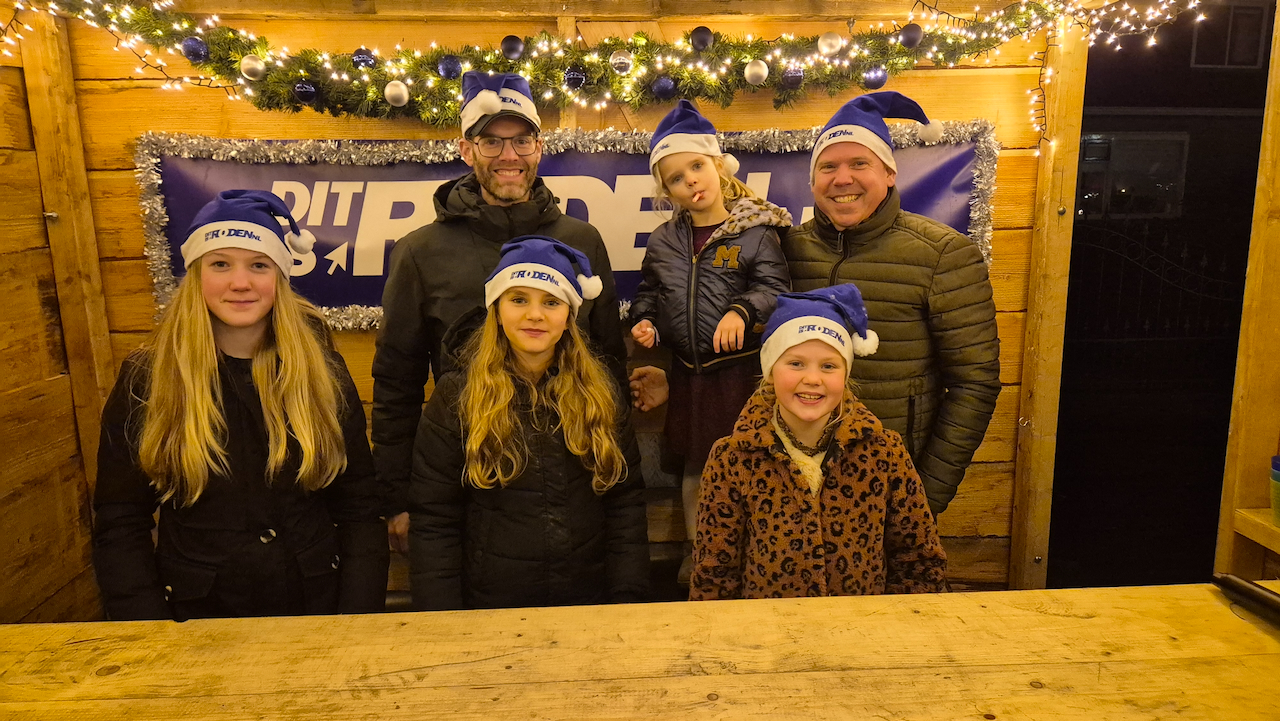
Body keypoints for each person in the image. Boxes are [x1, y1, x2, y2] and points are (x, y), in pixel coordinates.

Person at [92, 190, 389, 621]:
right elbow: (120, 520)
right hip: (197, 617)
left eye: (258, 265)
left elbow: (360, 507)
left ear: (279, 276)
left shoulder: (321, 369)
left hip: (315, 608)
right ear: (196, 274)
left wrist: (356, 617)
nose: (240, 282)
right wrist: (147, 629)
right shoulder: (149, 377)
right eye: (220, 264)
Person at [374, 72, 628, 553]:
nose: (509, 156)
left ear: (539, 145)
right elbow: (396, 383)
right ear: (466, 149)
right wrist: (399, 499)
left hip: (574, 487)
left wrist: (615, 477)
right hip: (466, 488)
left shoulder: (582, 241)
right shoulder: (420, 252)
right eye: (491, 142)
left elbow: (608, 364)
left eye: (521, 140)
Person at [781, 92, 1000, 515]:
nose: (842, 179)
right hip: (794, 488)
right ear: (812, 181)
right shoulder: (785, 249)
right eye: (828, 166)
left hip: (891, 491)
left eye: (859, 163)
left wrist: (924, 497)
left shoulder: (943, 254)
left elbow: (975, 384)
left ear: (889, 173)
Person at [408, 236, 649, 610]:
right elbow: (435, 520)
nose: (534, 315)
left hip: (588, 602)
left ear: (569, 316)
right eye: (518, 299)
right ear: (497, 309)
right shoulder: (457, 396)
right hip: (490, 605)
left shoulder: (600, 394)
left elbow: (625, 505)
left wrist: (627, 599)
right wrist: (442, 618)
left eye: (551, 302)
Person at [690, 284, 947, 599]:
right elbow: (715, 574)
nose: (812, 378)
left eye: (828, 365)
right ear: (770, 371)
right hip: (768, 636)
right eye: (796, 363)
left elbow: (919, 561)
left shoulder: (885, 453)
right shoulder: (732, 458)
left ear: (845, 374)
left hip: (862, 634)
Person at [628, 99, 791, 583]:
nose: (691, 181)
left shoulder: (758, 233)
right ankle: (703, 554)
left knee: (752, 465)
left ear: (718, 165)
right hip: (689, 376)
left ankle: (757, 555)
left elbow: (775, 290)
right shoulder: (664, 240)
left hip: (740, 376)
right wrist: (646, 323)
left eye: (697, 166)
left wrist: (743, 310)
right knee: (697, 467)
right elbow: (649, 292)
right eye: (676, 178)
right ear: (668, 190)